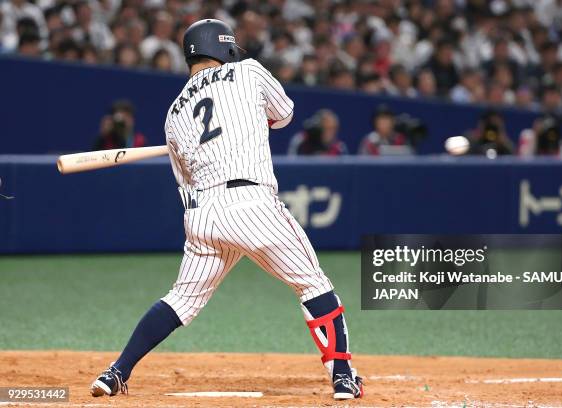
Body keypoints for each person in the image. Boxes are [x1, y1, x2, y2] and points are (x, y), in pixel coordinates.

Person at [89, 19, 363, 401]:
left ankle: (116, 371)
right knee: (313, 284)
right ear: (224, 48)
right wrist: (254, 119)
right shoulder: (247, 70)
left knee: (181, 300)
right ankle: (344, 376)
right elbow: (284, 114)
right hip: (251, 204)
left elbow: (184, 183)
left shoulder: (173, 114)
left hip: (203, 215)